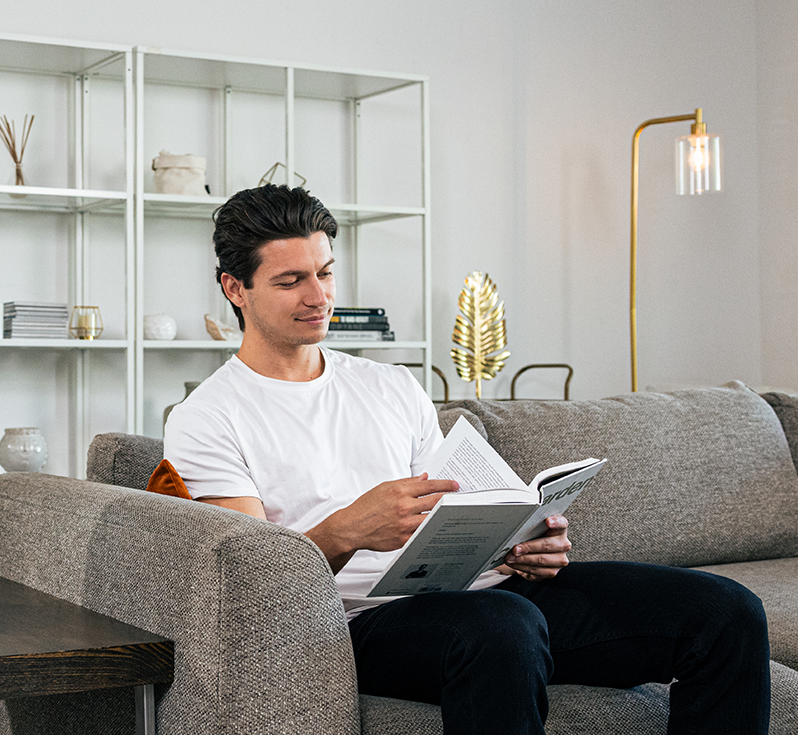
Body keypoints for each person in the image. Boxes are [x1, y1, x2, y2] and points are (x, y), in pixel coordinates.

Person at [163, 184, 771, 734]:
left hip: (488, 595)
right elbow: (251, 581)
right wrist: (345, 530)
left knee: (724, 611)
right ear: (234, 287)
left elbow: (457, 503)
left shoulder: (390, 386)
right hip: (356, 624)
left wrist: (519, 540)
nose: (319, 296)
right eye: (290, 280)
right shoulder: (208, 418)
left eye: (325, 273)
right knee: (501, 626)